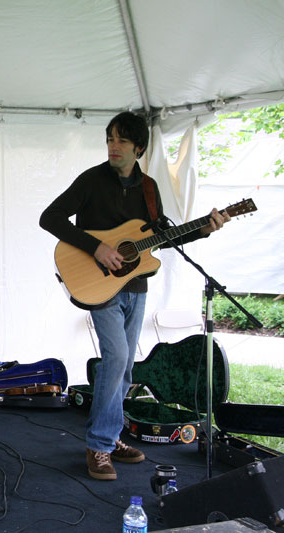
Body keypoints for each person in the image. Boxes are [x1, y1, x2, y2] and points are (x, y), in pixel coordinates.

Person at [39, 112, 228, 481]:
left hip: (135, 286)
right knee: (118, 356)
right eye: (110, 139)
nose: (113, 146)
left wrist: (203, 228)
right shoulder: (91, 180)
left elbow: (162, 236)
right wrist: (96, 248)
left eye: (122, 141)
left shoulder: (149, 188)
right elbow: (51, 217)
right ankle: (99, 444)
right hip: (97, 285)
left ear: (139, 148)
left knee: (124, 367)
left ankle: (111, 434)